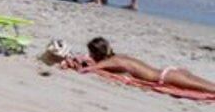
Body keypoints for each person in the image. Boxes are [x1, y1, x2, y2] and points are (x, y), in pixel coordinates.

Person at [81, 38, 214, 94]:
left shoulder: (111, 61)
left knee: (210, 89)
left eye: (91, 53)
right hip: (170, 72)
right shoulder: (120, 57)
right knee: (209, 86)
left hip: (166, 77)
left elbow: (88, 69)